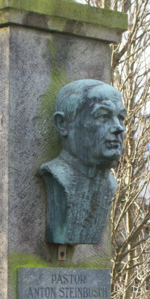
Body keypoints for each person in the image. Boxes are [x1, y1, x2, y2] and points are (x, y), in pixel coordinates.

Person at [40, 79, 126, 244]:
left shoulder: (109, 184)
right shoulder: (56, 176)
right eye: (103, 116)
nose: (118, 127)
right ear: (62, 124)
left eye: (120, 117)